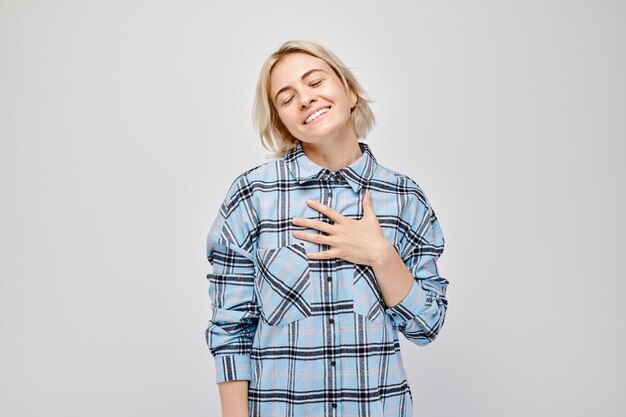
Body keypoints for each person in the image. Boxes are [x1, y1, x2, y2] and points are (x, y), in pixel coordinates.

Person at [205, 39, 449, 417]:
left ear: (350, 91)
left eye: (315, 82)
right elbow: (231, 331)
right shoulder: (253, 195)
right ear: (281, 121)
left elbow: (427, 326)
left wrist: (381, 255)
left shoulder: (404, 197)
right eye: (286, 98)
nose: (304, 99)